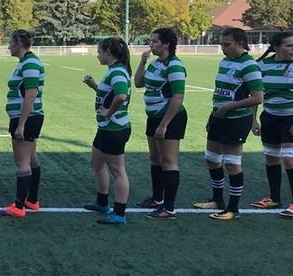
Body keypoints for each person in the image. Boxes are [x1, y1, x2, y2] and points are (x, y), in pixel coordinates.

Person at [193, 27, 263, 220]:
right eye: (222, 44)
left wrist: (229, 107)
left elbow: (257, 97)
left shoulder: (250, 65)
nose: (223, 48)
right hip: (218, 117)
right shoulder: (225, 61)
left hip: (237, 119)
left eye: (227, 44)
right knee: (211, 158)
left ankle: (233, 209)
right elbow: (220, 93)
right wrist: (213, 114)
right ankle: (217, 200)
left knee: (232, 163)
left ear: (241, 43)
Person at [133, 28, 187, 220]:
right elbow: (138, 83)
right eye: (151, 41)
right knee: (155, 158)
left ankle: (169, 208)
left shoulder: (174, 66)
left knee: (169, 162)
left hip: (170, 119)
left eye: (155, 41)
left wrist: (164, 124)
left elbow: (178, 97)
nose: (151, 45)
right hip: (154, 117)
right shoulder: (156, 64)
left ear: (167, 44)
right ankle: (157, 198)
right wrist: (142, 61)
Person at [82, 37, 132, 224]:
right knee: (96, 162)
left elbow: (120, 96)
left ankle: (119, 213)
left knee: (118, 170)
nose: (97, 55)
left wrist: (109, 112)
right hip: (105, 128)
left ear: (108, 52)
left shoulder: (118, 72)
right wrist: (94, 86)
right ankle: (102, 202)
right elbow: (110, 94)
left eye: (99, 52)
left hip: (115, 128)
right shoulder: (113, 71)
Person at [0, 30, 45, 218]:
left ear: (18, 43)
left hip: (27, 118)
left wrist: (21, 124)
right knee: (31, 159)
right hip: (27, 117)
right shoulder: (26, 62)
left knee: (22, 162)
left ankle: (18, 206)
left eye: (10, 41)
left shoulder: (30, 63)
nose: (8, 46)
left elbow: (30, 95)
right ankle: (32, 200)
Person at [250, 31, 293, 218]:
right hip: (269, 117)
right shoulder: (261, 66)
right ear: (276, 47)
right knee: (271, 157)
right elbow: (254, 95)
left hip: (291, 118)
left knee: (289, 158)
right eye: (290, 46)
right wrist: (253, 119)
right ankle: (274, 198)